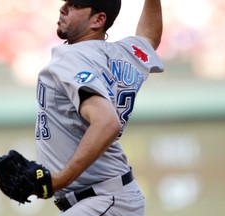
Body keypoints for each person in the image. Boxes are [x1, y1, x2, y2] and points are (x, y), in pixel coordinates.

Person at [35, 0, 164, 215]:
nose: (63, 8)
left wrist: (60, 179)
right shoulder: (122, 52)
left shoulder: (73, 57)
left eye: (75, 5)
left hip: (102, 199)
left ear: (98, 19)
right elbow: (149, 38)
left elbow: (106, 122)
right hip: (110, 199)